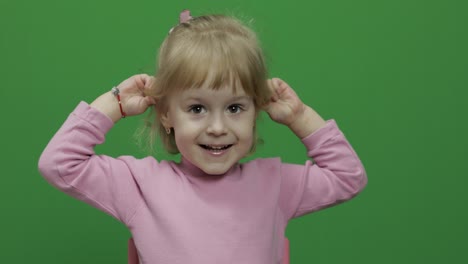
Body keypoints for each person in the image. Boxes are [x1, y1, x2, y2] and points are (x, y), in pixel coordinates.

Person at [38, 10, 367, 264]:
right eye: (197, 109)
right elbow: (59, 164)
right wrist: (115, 103)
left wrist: (299, 117)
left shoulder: (274, 183)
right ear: (166, 113)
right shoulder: (140, 185)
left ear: (258, 109)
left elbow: (348, 177)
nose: (217, 127)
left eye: (235, 108)